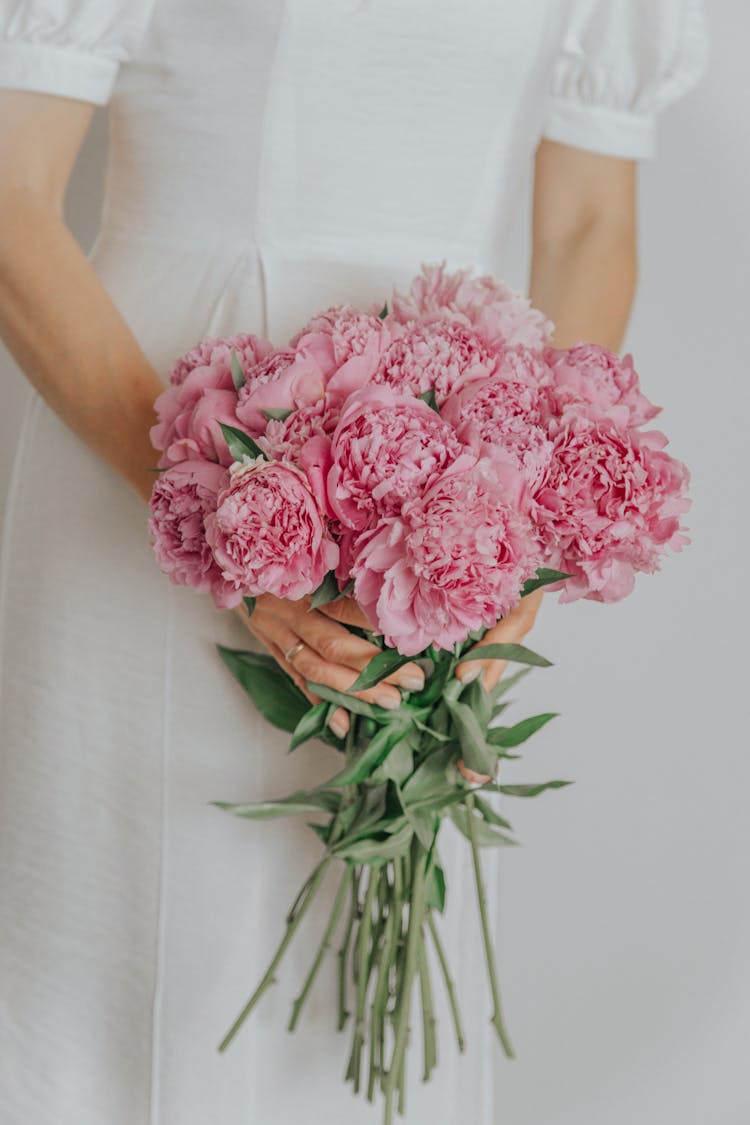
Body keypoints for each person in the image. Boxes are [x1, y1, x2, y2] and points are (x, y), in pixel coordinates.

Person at [0, 2, 706, 1122]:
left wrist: (519, 517)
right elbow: (10, 201)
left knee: (351, 964)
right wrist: (222, 503)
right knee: (139, 942)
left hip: (451, 472)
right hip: (159, 431)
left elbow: (584, 227)